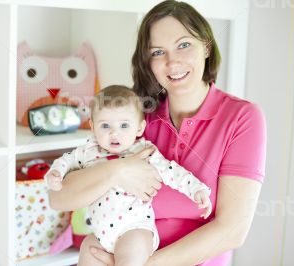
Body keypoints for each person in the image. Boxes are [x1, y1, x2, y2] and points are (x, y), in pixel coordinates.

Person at [49, 1, 266, 265]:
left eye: (184, 45)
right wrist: (117, 170)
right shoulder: (137, 118)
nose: (172, 61)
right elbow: (58, 197)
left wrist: (140, 264)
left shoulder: (241, 118)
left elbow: (232, 230)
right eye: (157, 52)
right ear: (147, 62)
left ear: (206, 46)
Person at [45, 85, 212, 266]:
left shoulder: (144, 151)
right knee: (87, 249)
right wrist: (55, 174)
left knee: (129, 259)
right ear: (93, 126)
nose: (114, 133)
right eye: (105, 125)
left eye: (124, 125)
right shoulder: (88, 151)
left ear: (140, 128)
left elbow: (172, 172)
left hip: (135, 230)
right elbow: (65, 161)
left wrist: (196, 189)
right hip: (101, 235)